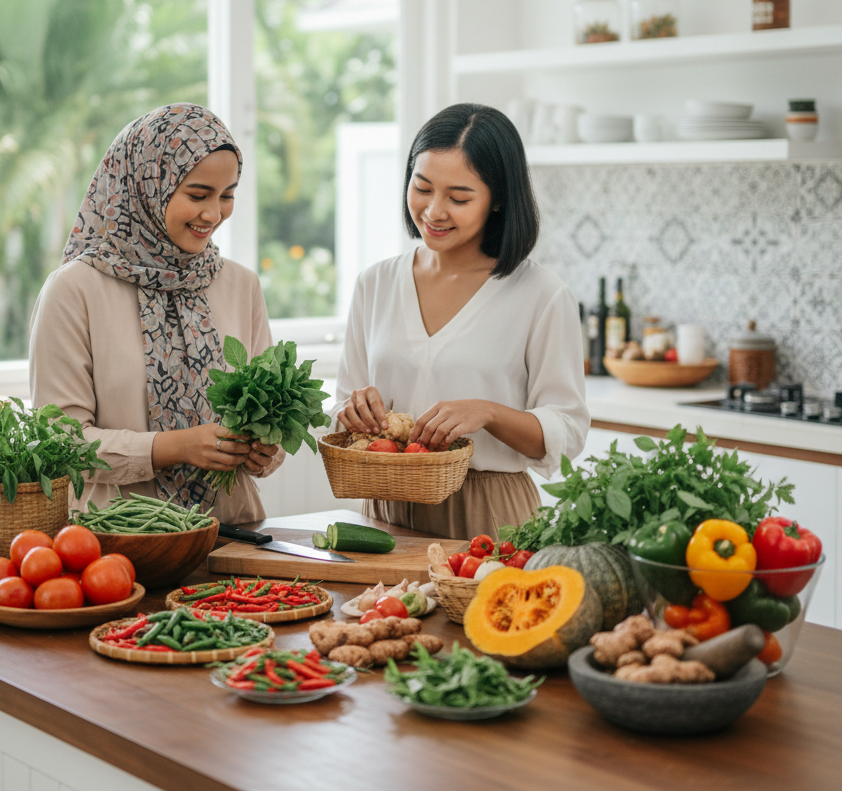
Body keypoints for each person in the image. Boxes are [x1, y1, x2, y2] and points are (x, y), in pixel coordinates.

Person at [327, 102, 589, 540]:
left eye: (459, 198)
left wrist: (489, 412)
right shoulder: (376, 283)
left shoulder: (541, 294)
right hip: (386, 510)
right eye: (422, 188)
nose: (434, 211)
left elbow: (568, 433)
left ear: (498, 200)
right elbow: (341, 404)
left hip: (489, 512)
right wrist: (350, 410)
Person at [29, 103, 284, 524]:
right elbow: (61, 446)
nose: (214, 214)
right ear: (147, 185)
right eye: (198, 195)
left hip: (234, 534)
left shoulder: (241, 285)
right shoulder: (74, 290)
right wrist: (175, 447)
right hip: (119, 541)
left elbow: (270, 420)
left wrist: (265, 450)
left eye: (227, 195)